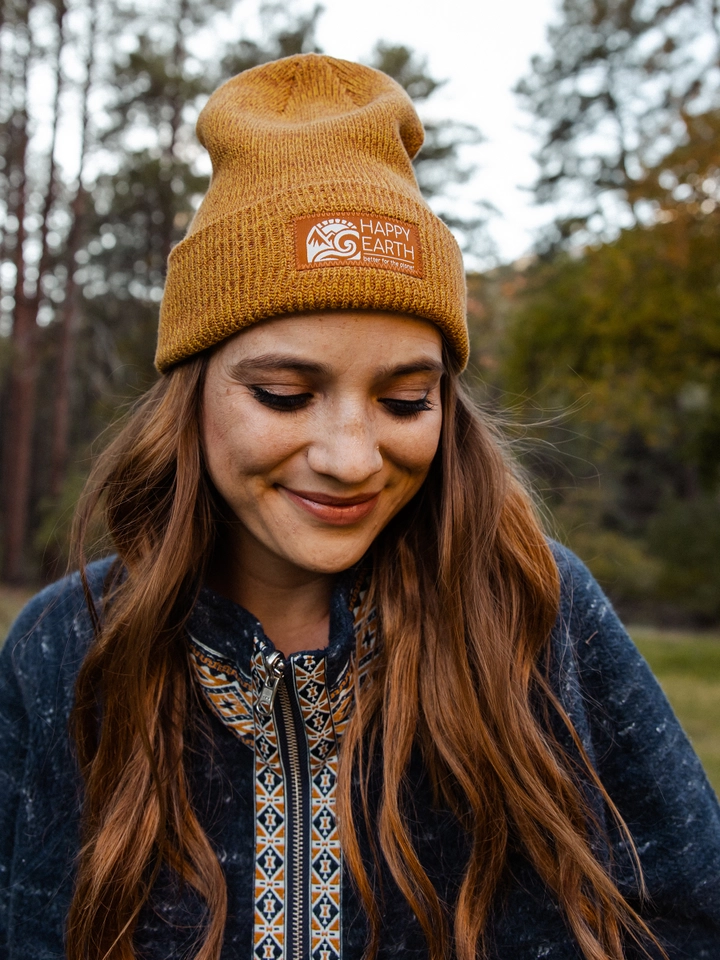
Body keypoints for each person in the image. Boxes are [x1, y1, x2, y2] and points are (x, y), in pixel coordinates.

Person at [0, 53, 718, 960]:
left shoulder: (537, 611)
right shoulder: (66, 644)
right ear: (193, 391)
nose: (350, 459)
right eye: (285, 395)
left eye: (406, 401)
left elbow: (690, 917)